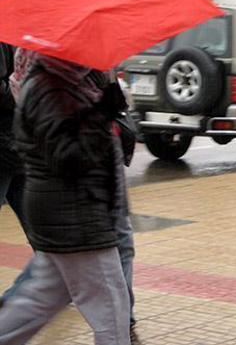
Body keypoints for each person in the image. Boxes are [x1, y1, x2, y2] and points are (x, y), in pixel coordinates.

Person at [0, 51, 131, 345]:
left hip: (67, 211)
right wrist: (102, 116)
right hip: (74, 214)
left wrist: (106, 103)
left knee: (37, 301)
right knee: (112, 308)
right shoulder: (50, 86)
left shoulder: (64, 82)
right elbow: (68, 157)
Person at [0, 43, 31, 308]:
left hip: (8, 143)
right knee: (37, 223)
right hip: (10, 142)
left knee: (38, 223)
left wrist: (22, 97)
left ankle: (55, 282)